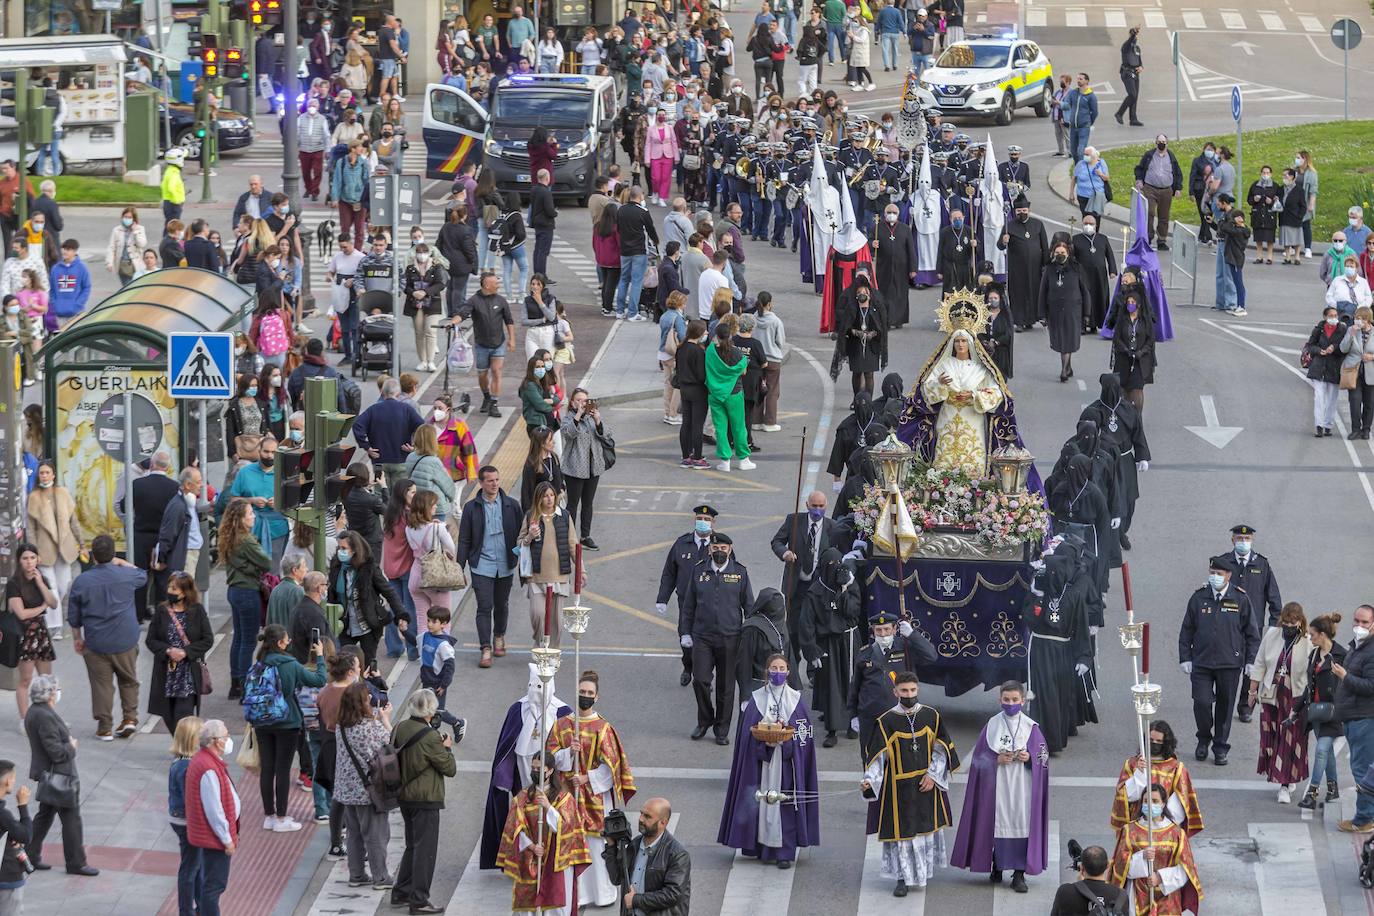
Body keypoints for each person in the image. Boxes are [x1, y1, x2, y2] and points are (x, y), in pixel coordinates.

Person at [717, 652, 820, 869]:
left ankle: (784, 852)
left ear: (789, 672)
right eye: (774, 668)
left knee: (785, 803)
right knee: (761, 801)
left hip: (786, 763)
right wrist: (764, 742)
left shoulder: (796, 700)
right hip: (762, 763)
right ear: (767, 671)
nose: (778, 672)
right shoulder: (757, 699)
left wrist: (786, 743)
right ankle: (761, 847)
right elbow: (745, 737)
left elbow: (804, 737)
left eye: (782, 669)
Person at [861, 672, 958, 897]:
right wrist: (869, 780)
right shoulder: (886, 721)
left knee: (924, 832)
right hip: (898, 788)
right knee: (902, 835)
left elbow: (942, 749)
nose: (909, 695)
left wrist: (933, 776)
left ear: (918, 690)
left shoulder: (931, 716)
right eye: (904, 691)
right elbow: (877, 757)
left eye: (913, 690)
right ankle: (902, 878)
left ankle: (922, 873)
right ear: (895, 692)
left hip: (925, 784)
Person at [545, 670, 636, 906]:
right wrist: (568, 753)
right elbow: (549, 760)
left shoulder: (603, 728)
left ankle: (602, 894)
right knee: (572, 841)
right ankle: (577, 893)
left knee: (596, 844)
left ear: (596, 697)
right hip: (567, 794)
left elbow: (613, 766)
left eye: (589, 693)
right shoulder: (562, 725)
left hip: (595, 796)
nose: (585, 696)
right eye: (582, 692)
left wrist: (588, 778)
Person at [950, 682, 1050, 894]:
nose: (1011, 703)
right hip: (997, 785)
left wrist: (1029, 758)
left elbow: (1043, 757)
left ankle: (1019, 873)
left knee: (1021, 825)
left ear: (1023, 700)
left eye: (1015, 700)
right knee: (995, 824)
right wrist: (996, 758)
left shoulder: (1031, 728)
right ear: (1000, 700)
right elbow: (978, 757)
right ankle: (997, 865)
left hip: (1022, 786)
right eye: (1007, 700)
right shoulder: (992, 725)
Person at [482, 667, 572, 869]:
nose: (535, 692)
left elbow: (567, 752)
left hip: (554, 782)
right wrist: (502, 778)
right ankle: (523, 862)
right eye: (532, 686)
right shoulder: (518, 709)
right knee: (524, 819)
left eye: (540, 687)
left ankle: (549, 862)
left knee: (550, 819)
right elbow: (506, 748)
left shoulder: (563, 712)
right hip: (522, 779)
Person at [1178, 555, 1260, 766]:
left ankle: (1220, 747)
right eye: (1212, 573)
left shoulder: (1240, 599)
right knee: (1202, 703)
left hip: (1230, 664)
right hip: (1202, 663)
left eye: (1219, 574)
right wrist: (1185, 657)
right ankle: (1203, 739)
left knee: (1225, 707)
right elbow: (1187, 630)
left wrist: (1251, 660)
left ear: (1228, 576)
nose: (1215, 577)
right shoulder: (1198, 598)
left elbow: (1252, 633)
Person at [66, 534, 144, 740]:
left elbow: (74, 615)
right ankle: (129, 718)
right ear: (113, 554)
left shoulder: (82, 581)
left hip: (96, 640)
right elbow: (142, 575)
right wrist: (122, 562)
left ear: (93, 556)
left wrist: (77, 637)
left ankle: (105, 726)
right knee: (128, 680)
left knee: (101, 685)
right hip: (125, 638)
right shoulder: (126, 576)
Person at [248, 624, 325, 833]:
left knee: (268, 768)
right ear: (281, 643)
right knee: (283, 770)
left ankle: (269, 816)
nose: (289, 641)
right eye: (287, 639)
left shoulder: (259, 663)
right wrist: (320, 657)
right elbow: (319, 680)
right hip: (287, 722)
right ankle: (282, 818)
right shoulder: (290, 664)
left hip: (262, 721)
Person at [1023, 539, 1096, 752]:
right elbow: (1029, 619)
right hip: (1040, 650)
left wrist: (1084, 657)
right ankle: (1043, 740)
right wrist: (1035, 598)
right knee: (1043, 694)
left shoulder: (1073, 597)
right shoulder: (1039, 595)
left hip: (1063, 650)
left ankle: (1057, 738)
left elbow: (1081, 628)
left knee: (1061, 695)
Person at [496, 749, 591, 915]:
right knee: (529, 906)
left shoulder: (564, 798)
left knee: (555, 907)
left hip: (555, 861)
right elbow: (514, 828)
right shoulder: (523, 797)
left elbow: (568, 828)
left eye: (540, 769)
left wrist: (548, 807)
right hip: (531, 858)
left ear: (551, 770)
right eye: (533, 768)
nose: (535, 772)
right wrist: (532, 846)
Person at [681, 532, 754, 745]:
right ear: (709, 550)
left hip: (731, 637)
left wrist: (750, 634)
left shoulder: (740, 573)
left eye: (723, 548)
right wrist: (685, 632)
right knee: (701, 680)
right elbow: (689, 606)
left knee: (726, 687)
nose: (719, 552)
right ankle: (705, 719)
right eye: (715, 549)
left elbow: (749, 606)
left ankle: (722, 729)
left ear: (730, 549)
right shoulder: (698, 571)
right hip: (702, 636)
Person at [23, 674, 97, 875]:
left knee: (44, 816)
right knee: (71, 819)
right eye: (56, 689)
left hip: (50, 776)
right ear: (50, 694)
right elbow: (56, 752)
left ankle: (29, 855)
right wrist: (71, 746)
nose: (58, 693)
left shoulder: (35, 711)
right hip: (59, 776)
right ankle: (76, 862)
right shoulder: (45, 716)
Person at [847, 611, 938, 762]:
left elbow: (931, 655)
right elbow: (855, 686)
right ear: (873, 631)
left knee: (901, 760)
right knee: (872, 759)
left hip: (900, 714)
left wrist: (912, 635)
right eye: (879, 630)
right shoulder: (865, 653)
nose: (883, 634)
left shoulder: (906, 648)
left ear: (895, 629)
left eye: (887, 629)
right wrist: (853, 715)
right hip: (871, 717)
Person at [333, 680, 396, 891]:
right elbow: (391, 743)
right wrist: (385, 719)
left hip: (347, 789)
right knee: (376, 835)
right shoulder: (369, 727)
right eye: (368, 697)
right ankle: (380, 877)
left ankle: (357, 874)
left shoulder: (341, 726)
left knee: (354, 834)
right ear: (362, 702)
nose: (370, 698)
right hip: (368, 790)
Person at [1249, 602, 1312, 803]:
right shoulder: (1272, 635)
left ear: (1300, 623)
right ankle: (1283, 776)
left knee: (1290, 740)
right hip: (1272, 694)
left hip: (1295, 697)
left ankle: (1285, 783)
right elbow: (1259, 663)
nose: (1288, 627)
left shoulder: (1308, 642)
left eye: (1292, 624)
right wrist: (1252, 691)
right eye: (1285, 623)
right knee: (1272, 736)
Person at [918, 329, 1005, 475]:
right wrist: (939, 384)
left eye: (963, 340)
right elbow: (926, 389)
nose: (960, 344)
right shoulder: (942, 365)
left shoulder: (981, 368)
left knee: (972, 457)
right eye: (957, 341)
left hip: (972, 418)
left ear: (970, 343)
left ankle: (975, 490)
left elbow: (996, 393)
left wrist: (974, 395)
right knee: (945, 456)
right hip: (948, 416)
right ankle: (941, 490)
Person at [459, 466, 521, 669]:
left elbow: (522, 534)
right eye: (489, 481)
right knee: (484, 606)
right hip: (481, 565)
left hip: (505, 564)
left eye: (496, 479)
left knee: (501, 604)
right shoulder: (471, 508)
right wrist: (460, 567)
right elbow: (464, 540)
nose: (494, 484)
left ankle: (499, 635)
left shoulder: (512, 505)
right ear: (481, 483)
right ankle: (485, 647)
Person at [1109, 783, 1203, 916]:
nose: (1150, 805)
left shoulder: (1176, 833)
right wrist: (1142, 857)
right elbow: (1119, 866)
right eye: (1146, 801)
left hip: (1168, 897)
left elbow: (1187, 869)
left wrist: (1161, 877)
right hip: (1137, 896)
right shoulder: (1130, 831)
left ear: (1163, 803)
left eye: (1155, 801)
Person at [798, 549, 859, 747]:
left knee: (851, 681)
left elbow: (852, 612)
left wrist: (845, 590)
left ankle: (852, 722)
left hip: (848, 640)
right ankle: (832, 729)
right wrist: (811, 649)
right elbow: (806, 623)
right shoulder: (815, 591)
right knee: (831, 685)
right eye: (830, 566)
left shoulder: (849, 583)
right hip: (828, 643)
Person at [145, 572, 214, 735]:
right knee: (168, 715)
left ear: (185, 592)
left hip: (188, 674)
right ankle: (182, 747)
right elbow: (151, 640)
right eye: (169, 587)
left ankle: (185, 751)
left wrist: (185, 652)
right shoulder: (162, 611)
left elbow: (207, 639)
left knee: (184, 716)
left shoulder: (197, 610)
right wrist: (168, 650)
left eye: (174, 588)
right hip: (166, 673)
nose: (170, 591)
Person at [1109, 719, 1204, 836]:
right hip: (1137, 827)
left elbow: (1182, 800)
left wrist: (1162, 822)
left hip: (1165, 828)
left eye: (1158, 741)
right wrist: (1139, 774)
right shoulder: (1132, 764)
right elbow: (1124, 796)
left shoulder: (1176, 768)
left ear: (1166, 743)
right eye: (1151, 740)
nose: (1154, 744)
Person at [518, 481, 584, 648]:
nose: (549, 499)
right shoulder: (531, 516)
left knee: (556, 622)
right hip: (536, 576)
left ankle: (552, 654)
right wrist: (529, 537)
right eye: (545, 496)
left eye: (552, 495)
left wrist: (581, 571)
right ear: (539, 498)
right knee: (538, 615)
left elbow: (573, 545)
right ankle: (539, 643)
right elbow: (519, 545)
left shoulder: (564, 516)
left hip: (559, 576)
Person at [219, 500, 271, 699]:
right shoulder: (246, 540)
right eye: (250, 513)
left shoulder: (230, 537)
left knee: (239, 638)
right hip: (248, 591)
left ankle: (235, 683)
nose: (254, 516)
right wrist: (253, 569)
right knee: (248, 641)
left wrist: (248, 567)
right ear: (240, 519)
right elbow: (266, 562)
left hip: (234, 591)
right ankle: (243, 685)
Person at [185, 719, 238, 916]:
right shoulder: (208, 767)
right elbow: (214, 809)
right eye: (226, 736)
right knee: (214, 887)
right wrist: (226, 839)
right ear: (216, 741)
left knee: (210, 884)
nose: (228, 740)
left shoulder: (204, 760)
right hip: (214, 838)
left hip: (209, 836)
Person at [328, 531, 405, 667]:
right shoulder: (337, 568)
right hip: (345, 625)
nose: (341, 552)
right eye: (339, 548)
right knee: (344, 665)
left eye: (344, 548)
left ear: (355, 550)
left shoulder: (369, 568)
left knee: (368, 665)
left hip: (368, 625)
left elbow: (389, 592)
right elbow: (332, 595)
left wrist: (401, 614)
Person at [1295, 612, 1345, 810]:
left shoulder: (1341, 655)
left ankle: (1312, 793)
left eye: (1312, 634)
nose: (1310, 637)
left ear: (1323, 634)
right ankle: (1333, 789)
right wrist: (1296, 710)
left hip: (1335, 713)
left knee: (1322, 750)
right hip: (1316, 712)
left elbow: (1347, 684)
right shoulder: (1315, 654)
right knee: (1328, 753)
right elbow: (1309, 687)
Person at [5, 544, 57, 722]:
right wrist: (42, 607)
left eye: (32, 558)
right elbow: (21, 613)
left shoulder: (42, 579)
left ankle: (49, 719)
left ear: (38, 559)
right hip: (24, 634)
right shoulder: (14, 584)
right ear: (19, 561)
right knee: (26, 679)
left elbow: (54, 603)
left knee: (47, 679)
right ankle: (25, 720)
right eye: (25, 558)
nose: (29, 562)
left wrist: (41, 583)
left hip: (41, 633)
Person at [1335, 604, 1374, 833]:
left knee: (1362, 770)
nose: (1359, 626)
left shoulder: (1370, 651)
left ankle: (1364, 819)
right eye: (1356, 621)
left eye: (1365, 622)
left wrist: (1345, 676)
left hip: (1364, 718)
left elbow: (1370, 686)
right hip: (1353, 717)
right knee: (1362, 768)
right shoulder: (1358, 646)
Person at [457, 272, 517, 418]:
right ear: (487, 285)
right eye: (496, 283)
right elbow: (463, 313)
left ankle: (494, 403)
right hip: (481, 344)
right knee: (482, 374)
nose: (498, 285)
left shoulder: (501, 301)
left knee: (496, 371)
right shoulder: (474, 300)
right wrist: (454, 322)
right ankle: (487, 396)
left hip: (498, 343)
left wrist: (512, 339)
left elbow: (509, 321)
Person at [560, 389, 611, 550]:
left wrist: (598, 421)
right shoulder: (568, 418)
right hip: (574, 469)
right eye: (579, 400)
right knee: (572, 504)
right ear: (573, 403)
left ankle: (585, 536)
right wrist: (577, 416)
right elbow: (568, 434)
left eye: (585, 400)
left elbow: (607, 435)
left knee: (588, 504)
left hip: (593, 468)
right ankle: (570, 537)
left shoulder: (591, 418)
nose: (583, 404)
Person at [167, 716, 205, 916]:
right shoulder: (187, 766)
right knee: (190, 868)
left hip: (180, 818)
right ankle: (186, 910)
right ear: (193, 738)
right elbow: (190, 799)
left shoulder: (181, 762)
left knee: (196, 865)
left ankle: (199, 905)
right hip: (187, 822)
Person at [354, 377, 424, 483]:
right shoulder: (406, 409)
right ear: (398, 392)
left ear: (382, 391)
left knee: (381, 492)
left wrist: (366, 446)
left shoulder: (373, 410)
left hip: (379, 459)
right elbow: (422, 427)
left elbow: (357, 425)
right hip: (401, 458)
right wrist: (415, 447)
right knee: (400, 493)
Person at [405, 490, 455, 635]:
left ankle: (424, 654)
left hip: (415, 575)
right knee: (444, 620)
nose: (436, 507)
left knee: (422, 619)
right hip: (434, 577)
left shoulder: (408, 528)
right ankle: (444, 653)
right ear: (426, 507)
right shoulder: (437, 527)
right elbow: (451, 548)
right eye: (433, 504)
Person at [1000, 195, 1048, 331]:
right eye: (1019, 211)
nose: (1022, 213)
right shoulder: (1009, 225)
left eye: (1024, 210)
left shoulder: (1038, 224)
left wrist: (1046, 264)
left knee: (1034, 292)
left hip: (1035, 267)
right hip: (1017, 268)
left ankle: (1032, 319)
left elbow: (1044, 246)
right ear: (1015, 212)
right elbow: (1000, 246)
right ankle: (1019, 321)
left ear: (1029, 210)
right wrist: (1004, 241)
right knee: (1018, 294)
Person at [615, 188, 659, 321]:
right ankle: (633, 312)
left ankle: (620, 310)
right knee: (636, 281)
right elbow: (651, 230)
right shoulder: (643, 212)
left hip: (625, 250)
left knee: (623, 280)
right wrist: (656, 241)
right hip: (639, 250)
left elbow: (618, 228)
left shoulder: (621, 210)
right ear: (640, 196)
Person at [402, 243, 448, 372]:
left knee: (430, 331)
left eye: (424, 252)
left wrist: (426, 292)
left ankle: (431, 361)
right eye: (419, 252)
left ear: (429, 253)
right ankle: (422, 360)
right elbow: (406, 285)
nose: (421, 255)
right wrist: (413, 293)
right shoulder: (410, 268)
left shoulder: (436, 267)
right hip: (416, 304)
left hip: (432, 303)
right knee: (419, 332)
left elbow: (440, 284)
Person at [1049, 844, 1129, 915]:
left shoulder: (1065, 891)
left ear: (1082, 868)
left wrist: (1079, 885)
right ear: (1108, 865)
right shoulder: (1121, 896)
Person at [1109, 294, 1156, 411]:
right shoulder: (1122, 319)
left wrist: (1141, 351)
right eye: (1128, 302)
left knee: (1137, 390)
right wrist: (1125, 350)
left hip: (1140, 361)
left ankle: (1138, 420)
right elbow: (1116, 338)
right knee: (1124, 391)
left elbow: (1150, 340)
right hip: (1124, 360)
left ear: (1139, 304)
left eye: (1133, 302)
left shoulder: (1145, 320)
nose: (1130, 304)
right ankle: (1125, 419)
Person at [404, 425, 457, 522]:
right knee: (436, 534)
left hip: (418, 503)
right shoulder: (433, 461)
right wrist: (451, 498)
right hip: (435, 506)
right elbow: (447, 485)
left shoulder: (410, 457)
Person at [1073, 215, 1116, 333]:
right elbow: (1072, 257)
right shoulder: (1076, 239)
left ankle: (1095, 324)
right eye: (1086, 223)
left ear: (1095, 225)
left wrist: (1113, 270)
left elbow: (1110, 255)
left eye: (1091, 224)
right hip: (1083, 275)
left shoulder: (1103, 238)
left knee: (1099, 298)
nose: (1088, 226)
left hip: (1099, 276)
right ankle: (1082, 324)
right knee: (1083, 298)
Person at [1306, 305, 1345, 437]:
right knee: (1319, 397)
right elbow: (1310, 346)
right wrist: (1319, 351)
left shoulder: (1342, 329)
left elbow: (1345, 347)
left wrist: (1334, 348)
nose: (1333, 318)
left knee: (1332, 399)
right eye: (1331, 316)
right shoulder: (1318, 330)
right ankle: (1319, 425)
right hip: (1318, 367)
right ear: (1325, 317)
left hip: (1334, 368)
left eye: (1335, 316)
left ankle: (1328, 424)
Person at [1216, 203, 1251, 316]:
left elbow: (1225, 227)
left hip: (1236, 259)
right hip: (1233, 258)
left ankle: (1241, 306)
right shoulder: (1236, 229)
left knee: (1238, 283)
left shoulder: (1240, 231)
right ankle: (1239, 305)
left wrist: (1226, 219)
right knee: (1237, 282)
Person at [1058, 73, 1098, 162]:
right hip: (1073, 127)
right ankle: (1078, 170)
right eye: (1078, 79)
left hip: (1084, 127)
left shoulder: (1091, 96)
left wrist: (1088, 122)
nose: (1078, 80)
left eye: (1081, 79)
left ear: (1086, 81)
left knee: (1080, 151)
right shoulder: (1073, 93)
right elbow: (1067, 105)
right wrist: (1059, 104)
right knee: (1073, 151)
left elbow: (1095, 112)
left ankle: (1081, 170)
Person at [105, 207, 148, 286]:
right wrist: (109, 262)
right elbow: (111, 247)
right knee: (127, 288)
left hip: (136, 266)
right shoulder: (116, 230)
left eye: (129, 217)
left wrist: (135, 231)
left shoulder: (140, 229)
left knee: (136, 288)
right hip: (122, 266)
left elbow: (142, 244)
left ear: (134, 219)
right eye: (125, 217)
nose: (127, 219)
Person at [1072, 149, 1109, 219]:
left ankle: (1095, 230)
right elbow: (1074, 178)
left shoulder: (1101, 163)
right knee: (1085, 217)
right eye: (1084, 154)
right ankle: (1086, 229)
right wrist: (1071, 193)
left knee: (1096, 217)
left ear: (1093, 156)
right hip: (1082, 195)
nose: (1085, 156)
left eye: (1087, 155)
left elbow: (1106, 178)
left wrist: (1101, 174)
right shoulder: (1080, 164)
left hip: (1096, 196)